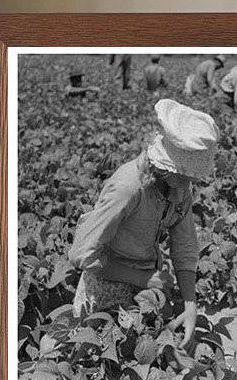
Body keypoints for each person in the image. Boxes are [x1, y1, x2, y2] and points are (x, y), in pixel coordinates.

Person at [69, 99, 219, 344]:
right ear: (168, 167)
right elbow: (82, 254)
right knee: (92, 348)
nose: (191, 181)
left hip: (146, 284)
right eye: (186, 174)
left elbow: (185, 246)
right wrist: (142, 279)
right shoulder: (128, 188)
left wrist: (190, 305)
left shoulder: (179, 188)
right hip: (105, 281)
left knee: (144, 346)